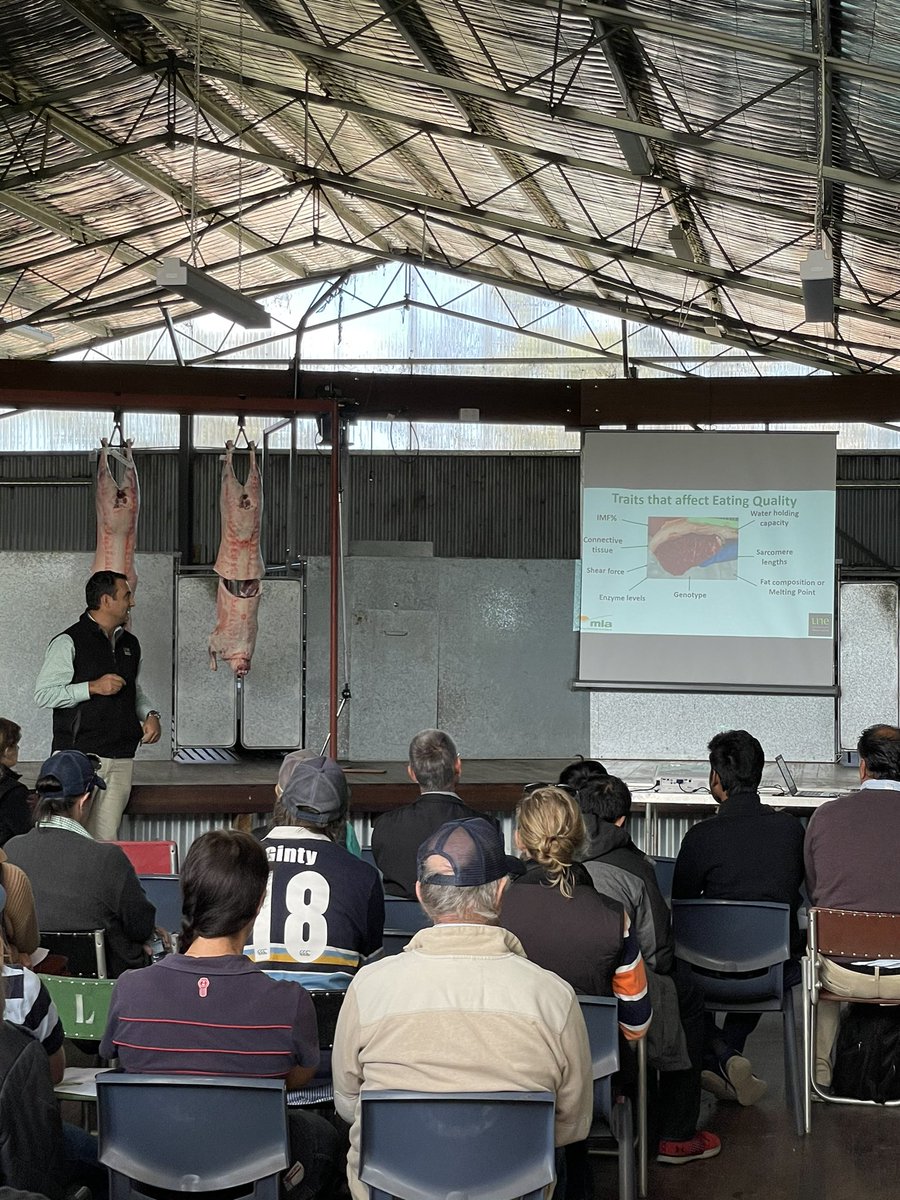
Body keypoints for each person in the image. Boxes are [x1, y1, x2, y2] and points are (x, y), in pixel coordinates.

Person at [332, 817, 592, 1200]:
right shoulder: (554, 997)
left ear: (421, 893)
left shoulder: (369, 988)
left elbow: (349, 1104)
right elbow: (572, 1125)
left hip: (391, 1191)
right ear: (503, 890)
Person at [101, 830, 341, 1200]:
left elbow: (119, 1062)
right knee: (321, 1134)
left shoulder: (129, 989)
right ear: (260, 902)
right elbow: (293, 1079)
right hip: (249, 1178)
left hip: (148, 1173)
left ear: (187, 894)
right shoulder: (289, 1002)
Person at [503, 788, 716, 1169]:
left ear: (519, 838)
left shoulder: (497, 910)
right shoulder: (611, 916)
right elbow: (637, 1022)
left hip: (511, 1068)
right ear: (580, 837)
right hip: (595, 1075)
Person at [575, 775, 711, 1163]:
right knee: (683, 993)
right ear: (622, 820)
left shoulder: (552, 860)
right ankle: (676, 1133)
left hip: (565, 988)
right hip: (623, 990)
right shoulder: (633, 868)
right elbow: (658, 953)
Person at [672, 729, 805, 1104]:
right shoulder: (790, 831)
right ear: (759, 774)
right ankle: (729, 1053)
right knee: (773, 949)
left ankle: (719, 1053)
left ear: (716, 778)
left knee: (673, 962)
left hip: (704, 973)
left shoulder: (700, 837)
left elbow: (681, 907)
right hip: (772, 973)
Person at [804, 723, 900, 1085]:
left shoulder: (825, 817)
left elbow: (816, 891)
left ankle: (821, 1074)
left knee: (820, 956)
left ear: (862, 767)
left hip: (843, 977)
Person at [34, 570, 161, 841]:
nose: (132, 602)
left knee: (105, 842)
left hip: (121, 758)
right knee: (67, 842)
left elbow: (133, 690)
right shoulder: (68, 641)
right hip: (79, 759)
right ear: (106, 600)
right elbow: (44, 694)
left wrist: (150, 714)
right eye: (126, 595)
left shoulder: (131, 644)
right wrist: (93, 687)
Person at [5, 750, 155, 977]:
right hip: (106, 987)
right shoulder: (108, 858)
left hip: (33, 981)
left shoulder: (11, 850)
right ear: (84, 800)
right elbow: (140, 926)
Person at [244, 755, 383, 989]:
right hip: (330, 1021)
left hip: (250, 1015)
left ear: (282, 798)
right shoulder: (364, 876)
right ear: (342, 815)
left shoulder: (239, 860)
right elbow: (370, 976)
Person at [371, 729, 489, 897]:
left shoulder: (385, 826)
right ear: (458, 766)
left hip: (397, 921)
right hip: (461, 917)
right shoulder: (485, 828)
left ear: (412, 773)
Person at [0, 719, 32, 845]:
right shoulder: (13, 792)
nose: (18, 748)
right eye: (16, 744)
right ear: (7, 751)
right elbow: (27, 836)